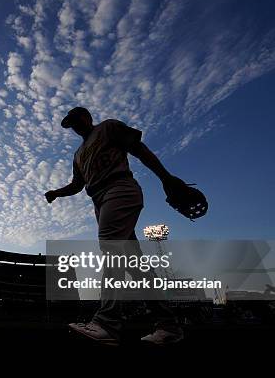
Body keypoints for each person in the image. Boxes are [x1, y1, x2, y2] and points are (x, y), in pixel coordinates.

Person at [45, 106, 184, 346]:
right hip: (99, 200)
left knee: (111, 249)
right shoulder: (78, 154)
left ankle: (107, 323)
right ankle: (168, 325)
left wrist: (166, 177)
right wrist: (57, 192)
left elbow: (138, 149)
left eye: (76, 119)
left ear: (87, 117)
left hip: (120, 189)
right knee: (136, 267)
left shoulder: (107, 127)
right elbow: (77, 185)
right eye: (70, 123)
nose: (74, 125)